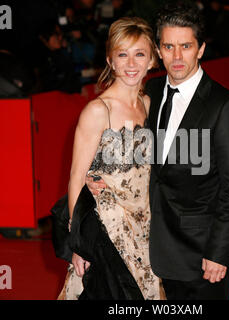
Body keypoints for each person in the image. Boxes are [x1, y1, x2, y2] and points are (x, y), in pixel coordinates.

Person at [87, 2, 229, 300]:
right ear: (158, 51)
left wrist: (220, 252)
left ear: (200, 49)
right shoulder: (151, 92)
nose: (176, 56)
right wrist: (95, 177)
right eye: (168, 46)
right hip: (147, 244)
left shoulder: (224, 106)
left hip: (198, 254)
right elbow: (123, 149)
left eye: (185, 46)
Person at [57, 16, 164, 300]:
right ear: (110, 59)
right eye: (122, 54)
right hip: (108, 230)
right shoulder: (97, 111)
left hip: (145, 228)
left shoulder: (148, 103)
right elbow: (77, 178)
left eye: (139, 54)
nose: (131, 64)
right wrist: (79, 244)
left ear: (152, 59)